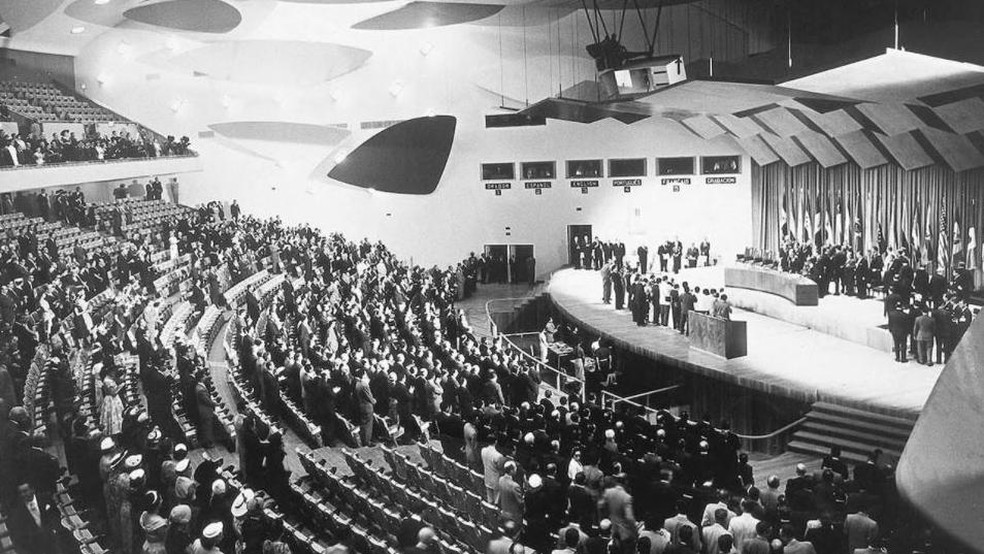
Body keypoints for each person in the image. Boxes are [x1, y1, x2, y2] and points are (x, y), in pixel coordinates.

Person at [8, 482, 59, 554]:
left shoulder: (46, 499)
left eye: (25, 491)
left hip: (56, 541)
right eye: (21, 493)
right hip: (37, 547)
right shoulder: (19, 511)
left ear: (32, 490)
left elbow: (56, 516)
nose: (23, 495)